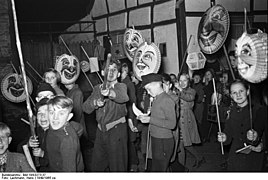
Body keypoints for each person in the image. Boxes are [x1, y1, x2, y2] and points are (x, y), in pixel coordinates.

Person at [82, 59, 129, 172]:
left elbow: (123, 97)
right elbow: (85, 108)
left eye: (114, 70)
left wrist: (109, 93)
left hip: (116, 131)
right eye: (108, 69)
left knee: (118, 168)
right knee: (97, 167)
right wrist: (95, 103)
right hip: (100, 132)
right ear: (103, 72)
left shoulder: (121, 86)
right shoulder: (97, 88)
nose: (111, 72)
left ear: (118, 74)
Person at [217, 80, 264, 171]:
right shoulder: (231, 111)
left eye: (241, 91)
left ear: (247, 91)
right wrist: (224, 137)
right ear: (231, 96)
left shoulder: (258, 110)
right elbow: (228, 132)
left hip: (253, 157)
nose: (238, 95)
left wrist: (262, 144)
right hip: (236, 156)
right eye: (234, 92)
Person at [137, 73, 176, 172]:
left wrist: (150, 120)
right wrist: (147, 117)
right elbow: (159, 117)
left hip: (163, 140)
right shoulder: (157, 98)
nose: (148, 92)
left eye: (149, 89)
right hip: (156, 138)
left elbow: (172, 124)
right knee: (157, 168)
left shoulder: (167, 100)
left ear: (156, 85)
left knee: (159, 169)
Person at [46, 96, 84, 172]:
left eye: (61, 113)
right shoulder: (53, 127)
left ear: (69, 117)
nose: (55, 118)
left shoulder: (67, 141)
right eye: (51, 112)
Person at [175, 73, 205, 169]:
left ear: (188, 81)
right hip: (179, 118)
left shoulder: (192, 91)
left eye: (185, 80)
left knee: (185, 143)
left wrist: (180, 90)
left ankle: (196, 159)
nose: (182, 83)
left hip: (187, 118)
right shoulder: (176, 91)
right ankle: (182, 167)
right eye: (180, 80)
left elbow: (189, 98)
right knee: (181, 144)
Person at [121, 63, 138, 171]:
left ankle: (134, 164)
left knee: (129, 142)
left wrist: (130, 119)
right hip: (125, 116)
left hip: (129, 116)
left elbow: (132, 102)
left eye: (121, 71)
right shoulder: (121, 83)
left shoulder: (128, 84)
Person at [28, 98, 50, 172]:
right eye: (39, 113)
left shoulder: (57, 133)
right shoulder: (37, 131)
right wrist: (29, 144)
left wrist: (43, 154)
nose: (43, 116)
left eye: (47, 112)